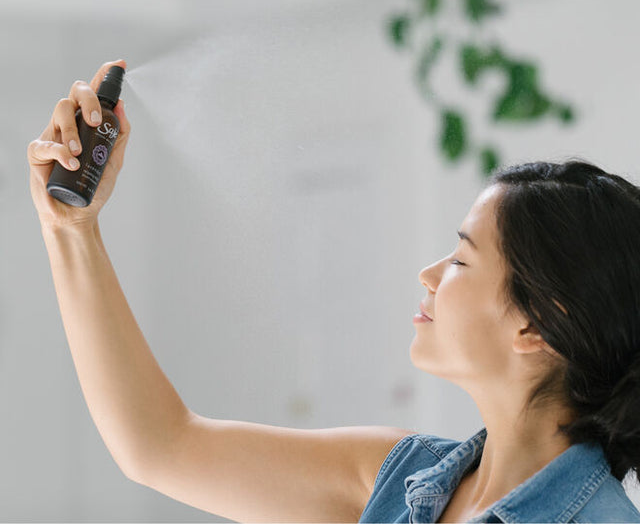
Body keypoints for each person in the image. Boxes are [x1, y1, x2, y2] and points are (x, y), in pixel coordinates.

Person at [28, 59, 640, 523]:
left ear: (536, 324)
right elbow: (160, 445)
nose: (428, 275)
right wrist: (70, 229)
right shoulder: (402, 477)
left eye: (460, 259)